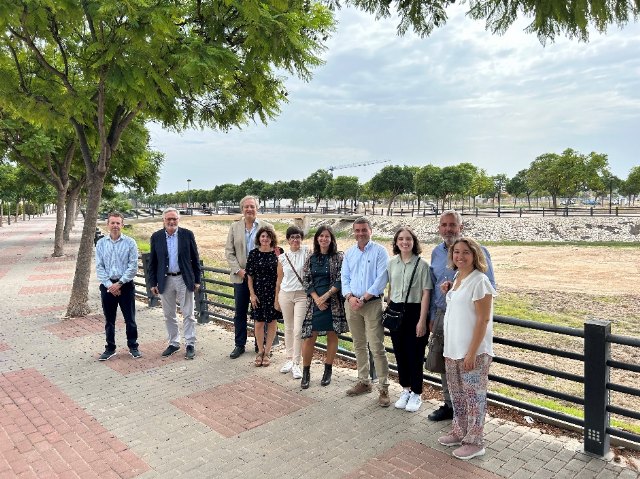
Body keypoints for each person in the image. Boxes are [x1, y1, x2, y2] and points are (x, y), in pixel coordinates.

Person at [428, 210, 495, 421]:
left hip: (467, 319)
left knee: (469, 365)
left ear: (461, 227)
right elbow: (433, 286)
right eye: (444, 225)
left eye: (452, 225)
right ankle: (451, 406)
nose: (448, 229)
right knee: (445, 363)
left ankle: (468, 415)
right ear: (439, 228)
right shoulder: (436, 253)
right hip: (442, 315)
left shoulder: (479, 251)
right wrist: (432, 315)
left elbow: (489, 286)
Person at [437, 238, 497, 460]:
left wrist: (472, 352)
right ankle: (459, 431)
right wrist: (449, 290)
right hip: (453, 350)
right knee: (458, 395)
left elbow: (483, 321)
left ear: (475, 255)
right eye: (456, 252)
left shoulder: (480, 281)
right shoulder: (458, 277)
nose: (460, 257)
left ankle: (475, 441)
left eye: (465, 253)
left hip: (473, 352)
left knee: (474, 398)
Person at [341, 217, 390, 406]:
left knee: (376, 347)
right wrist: (350, 297)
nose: (360, 233)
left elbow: (381, 278)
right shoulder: (350, 253)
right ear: (353, 232)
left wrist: (364, 298)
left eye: (364, 230)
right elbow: (344, 277)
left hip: (372, 304)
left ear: (371, 231)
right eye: (357, 230)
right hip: (352, 304)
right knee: (359, 344)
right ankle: (364, 381)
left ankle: (384, 388)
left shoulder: (379, 251)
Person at [386, 227, 433, 412]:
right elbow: (391, 288)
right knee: (400, 353)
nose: (404, 242)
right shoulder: (392, 263)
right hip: (396, 311)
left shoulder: (422, 265)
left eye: (408, 239)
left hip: (415, 311)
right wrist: (389, 309)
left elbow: (426, 294)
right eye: (400, 239)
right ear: (396, 242)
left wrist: (422, 320)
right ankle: (405, 389)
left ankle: (416, 393)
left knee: (415, 354)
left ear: (414, 242)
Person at [149, 207, 201, 360]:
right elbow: (153, 262)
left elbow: (195, 259)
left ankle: (190, 343)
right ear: (163, 220)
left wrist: (197, 280)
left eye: (174, 219)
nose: (171, 222)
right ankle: (174, 343)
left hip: (184, 279)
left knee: (188, 314)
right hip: (165, 280)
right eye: (168, 219)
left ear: (179, 220)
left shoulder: (187, 235)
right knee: (168, 314)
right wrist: (153, 282)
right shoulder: (156, 237)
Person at [299, 226, 347, 389]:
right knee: (309, 337)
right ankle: (306, 372)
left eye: (327, 236)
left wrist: (326, 296)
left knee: (332, 335)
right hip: (314, 303)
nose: (324, 239)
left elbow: (342, 278)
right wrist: (317, 299)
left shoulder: (339, 257)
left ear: (332, 239)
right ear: (317, 238)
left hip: (332, 302)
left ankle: (328, 370)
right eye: (321, 236)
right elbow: (306, 279)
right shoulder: (311, 257)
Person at [225, 195, 272, 359]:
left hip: (262, 280)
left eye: (252, 206)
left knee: (262, 311)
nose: (249, 209)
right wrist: (239, 270)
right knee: (240, 312)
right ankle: (239, 344)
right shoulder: (234, 227)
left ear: (257, 208)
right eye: (246, 207)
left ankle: (262, 346)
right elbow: (229, 252)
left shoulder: (266, 226)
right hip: (240, 277)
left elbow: (275, 250)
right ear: (242, 209)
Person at [95, 212, 140, 360]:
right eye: (112, 223)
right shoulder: (101, 243)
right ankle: (110, 348)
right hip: (107, 287)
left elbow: (133, 266)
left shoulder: (130, 243)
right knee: (109, 320)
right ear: (107, 225)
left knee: (130, 319)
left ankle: (133, 346)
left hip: (125, 286)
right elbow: (99, 266)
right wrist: (110, 285)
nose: (115, 225)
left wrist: (119, 284)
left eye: (118, 223)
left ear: (122, 224)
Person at [274, 226, 309, 379]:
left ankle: (296, 363)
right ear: (288, 240)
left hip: (302, 295)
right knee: (288, 328)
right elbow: (279, 280)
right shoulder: (282, 258)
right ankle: (289, 359)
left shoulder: (307, 253)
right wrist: (276, 299)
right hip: (285, 294)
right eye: (292, 237)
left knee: (298, 329)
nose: (295, 240)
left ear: (301, 239)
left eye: (298, 237)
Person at [246, 226, 283, 367]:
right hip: (259, 292)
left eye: (268, 236)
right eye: (262, 236)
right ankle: (260, 351)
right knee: (259, 322)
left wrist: (278, 296)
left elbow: (282, 273)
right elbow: (250, 276)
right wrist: (252, 294)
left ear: (272, 238)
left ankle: (268, 352)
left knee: (272, 322)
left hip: (275, 292)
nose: (265, 239)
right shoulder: (254, 253)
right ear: (259, 238)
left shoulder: (278, 252)